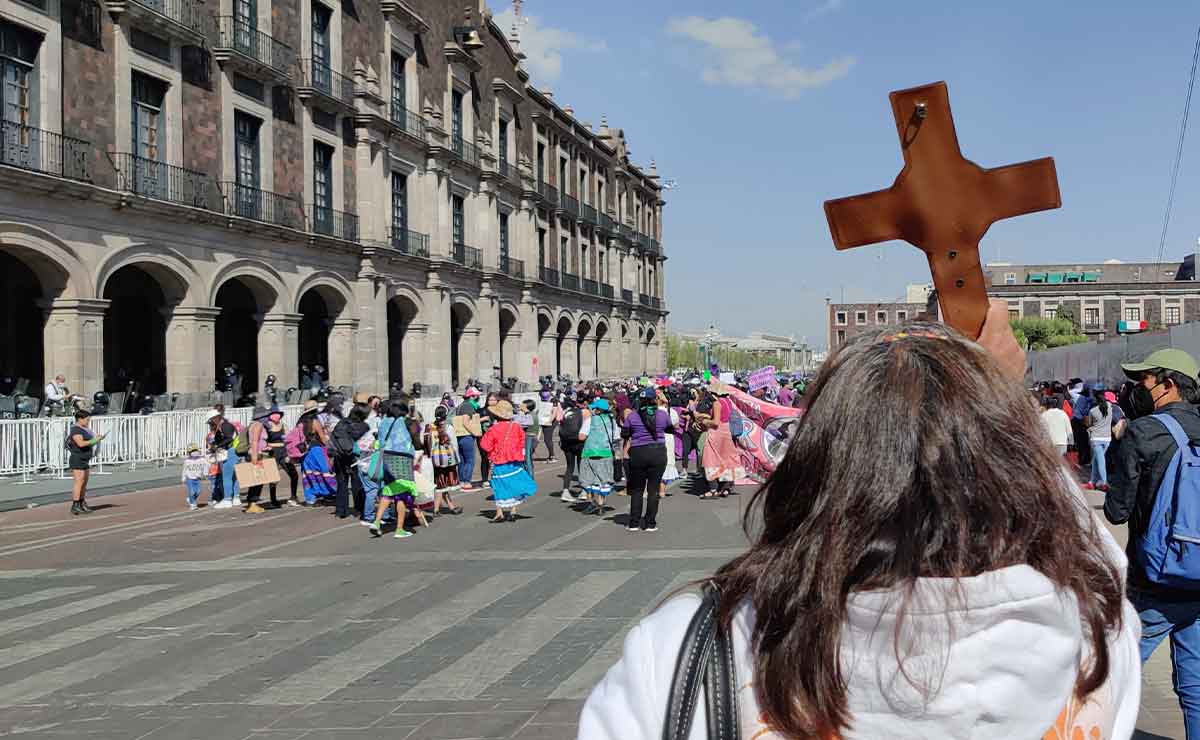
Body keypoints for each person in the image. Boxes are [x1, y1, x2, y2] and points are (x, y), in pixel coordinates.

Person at [581, 307, 1140, 740]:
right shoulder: (1093, 634)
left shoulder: (695, 645)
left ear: (815, 462)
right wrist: (998, 402)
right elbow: (1099, 556)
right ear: (1014, 468)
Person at [1105, 348, 1200, 736]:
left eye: (1142, 381)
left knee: (1111, 678)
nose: (1134, 389)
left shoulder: (1144, 431)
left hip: (1155, 580)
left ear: (1168, 384)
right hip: (1197, 582)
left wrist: (1119, 445)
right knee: (1195, 686)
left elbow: (1116, 511)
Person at [367, 399, 427, 539]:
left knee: (389, 490)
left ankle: (376, 522)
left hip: (387, 458)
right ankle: (399, 529)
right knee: (402, 494)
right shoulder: (406, 422)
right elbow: (416, 437)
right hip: (403, 458)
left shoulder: (383, 423)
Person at [622, 387, 674, 532]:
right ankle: (650, 523)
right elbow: (670, 430)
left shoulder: (632, 416)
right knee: (653, 490)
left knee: (637, 490)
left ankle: (634, 523)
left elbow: (624, 433)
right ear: (654, 400)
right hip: (657, 453)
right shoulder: (662, 415)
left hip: (638, 452)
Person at [479, 399, 537, 522]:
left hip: (499, 460)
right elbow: (522, 443)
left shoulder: (493, 429)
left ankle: (499, 512)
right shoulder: (516, 427)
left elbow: (485, 445)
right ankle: (513, 511)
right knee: (514, 483)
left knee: (499, 486)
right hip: (515, 459)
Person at [701, 384, 744, 498]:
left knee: (711, 459)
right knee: (726, 459)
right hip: (726, 431)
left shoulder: (717, 403)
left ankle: (713, 489)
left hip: (716, 433)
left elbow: (715, 422)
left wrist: (705, 421)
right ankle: (726, 488)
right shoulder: (728, 402)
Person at [578, 398, 620, 516]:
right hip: (606, 453)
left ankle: (592, 502)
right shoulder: (612, 421)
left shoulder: (590, 420)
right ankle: (601, 503)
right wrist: (617, 453)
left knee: (589, 479)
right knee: (603, 479)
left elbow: (581, 437)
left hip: (590, 453)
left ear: (598, 410)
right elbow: (616, 438)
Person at [332, 403, 370, 519]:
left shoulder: (342, 423)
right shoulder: (363, 426)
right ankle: (361, 508)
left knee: (341, 483)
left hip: (339, 455)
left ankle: (340, 510)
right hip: (355, 456)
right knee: (357, 484)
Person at [425, 406, 464, 516]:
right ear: (446, 416)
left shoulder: (430, 427)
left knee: (440, 483)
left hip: (436, 459)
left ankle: (445, 507)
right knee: (441, 485)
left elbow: (429, 444)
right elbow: (454, 445)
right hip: (448, 459)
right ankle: (438, 509)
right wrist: (456, 459)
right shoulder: (448, 428)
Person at [67, 409, 104, 515]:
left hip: (84, 458)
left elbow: (88, 442)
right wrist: (94, 440)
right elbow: (81, 443)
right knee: (79, 482)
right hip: (77, 458)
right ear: (80, 419)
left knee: (84, 483)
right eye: (87, 420)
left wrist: (97, 438)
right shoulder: (75, 430)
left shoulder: (85, 429)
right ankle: (75, 504)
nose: (88, 422)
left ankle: (82, 502)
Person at [299, 403, 335, 505]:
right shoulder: (315, 422)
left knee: (308, 474)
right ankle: (327, 493)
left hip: (305, 452)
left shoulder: (300, 422)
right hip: (316, 450)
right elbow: (322, 437)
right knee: (324, 471)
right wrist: (330, 447)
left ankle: (310, 498)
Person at [206, 408, 240, 510]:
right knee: (234, 476)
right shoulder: (224, 425)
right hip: (234, 451)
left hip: (230, 452)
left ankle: (227, 499)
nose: (210, 424)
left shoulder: (225, 425)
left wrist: (216, 446)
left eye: (210, 421)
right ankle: (236, 498)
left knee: (227, 476)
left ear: (214, 418)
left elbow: (229, 438)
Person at [242, 406, 274, 514]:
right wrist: (255, 457)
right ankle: (253, 504)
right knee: (258, 481)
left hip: (257, 453)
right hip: (257, 455)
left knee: (256, 480)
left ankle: (251, 504)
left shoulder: (254, 424)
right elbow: (255, 441)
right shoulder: (258, 425)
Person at [558, 396, 588, 503]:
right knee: (581, 467)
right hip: (578, 442)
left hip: (567, 443)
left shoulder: (565, 413)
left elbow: (560, 426)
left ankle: (565, 491)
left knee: (569, 467)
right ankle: (584, 491)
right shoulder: (582, 412)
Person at [1084, 388, 1113, 492]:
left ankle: (1104, 482)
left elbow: (1090, 424)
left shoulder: (1093, 411)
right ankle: (1092, 482)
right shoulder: (1110, 407)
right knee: (1096, 460)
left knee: (1100, 461)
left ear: (1095, 399)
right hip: (1107, 438)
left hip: (1096, 438)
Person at [453, 387, 482, 490]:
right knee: (470, 460)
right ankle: (466, 481)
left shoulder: (461, 406)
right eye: (476, 396)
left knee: (462, 460)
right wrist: (475, 432)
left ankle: (461, 481)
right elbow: (465, 422)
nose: (478, 397)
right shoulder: (468, 406)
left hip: (459, 436)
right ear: (471, 396)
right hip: (467, 436)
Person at [658, 390, 680, 496]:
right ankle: (662, 490)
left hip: (657, 437)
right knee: (667, 461)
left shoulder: (655, 411)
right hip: (669, 438)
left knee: (657, 461)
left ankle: (655, 488)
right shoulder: (672, 412)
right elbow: (676, 425)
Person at [1040, 394, 1073, 459]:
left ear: (1048, 405)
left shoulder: (1044, 415)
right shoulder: (1063, 414)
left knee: (1051, 463)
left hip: (1049, 443)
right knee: (1061, 463)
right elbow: (1069, 430)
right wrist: (1071, 443)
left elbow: (1041, 430)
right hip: (1062, 443)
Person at [182, 443, 209, 510]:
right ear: (189, 453)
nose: (194, 453)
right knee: (192, 491)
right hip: (189, 479)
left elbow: (206, 466)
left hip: (197, 478)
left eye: (195, 451)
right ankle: (192, 504)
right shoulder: (187, 461)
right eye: (192, 451)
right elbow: (184, 469)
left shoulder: (202, 460)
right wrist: (183, 477)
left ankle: (190, 498)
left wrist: (205, 473)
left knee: (198, 491)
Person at [517, 398, 539, 473]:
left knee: (527, 458)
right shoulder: (532, 414)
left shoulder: (529, 416)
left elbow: (520, 424)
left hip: (529, 438)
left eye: (522, 404)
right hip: (532, 438)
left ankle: (530, 476)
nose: (520, 405)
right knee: (528, 457)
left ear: (526, 406)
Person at [538, 390, 560, 462]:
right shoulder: (543, 398)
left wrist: (549, 421)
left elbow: (554, 412)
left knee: (547, 439)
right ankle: (551, 455)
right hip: (545, 421)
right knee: (547, 439)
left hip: (551, 421)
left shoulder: (554, 400)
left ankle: (552, 456)